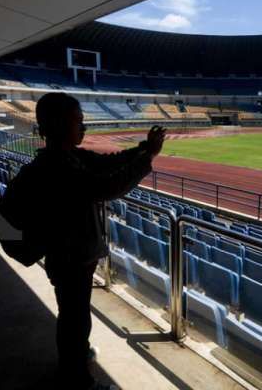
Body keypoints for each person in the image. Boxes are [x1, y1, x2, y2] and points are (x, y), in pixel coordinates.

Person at [11, 92, 165, 389]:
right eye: (78, 121)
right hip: (71, 258)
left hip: (68, 256)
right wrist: (147, 158)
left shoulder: (64, 157)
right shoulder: (61, 167)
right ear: (58, 125)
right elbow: (108, 185)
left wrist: (143, 148)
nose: (84, 127)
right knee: (75, 319)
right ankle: (76, 378)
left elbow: (108, 163)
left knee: (73, 315)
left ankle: (77, 357)